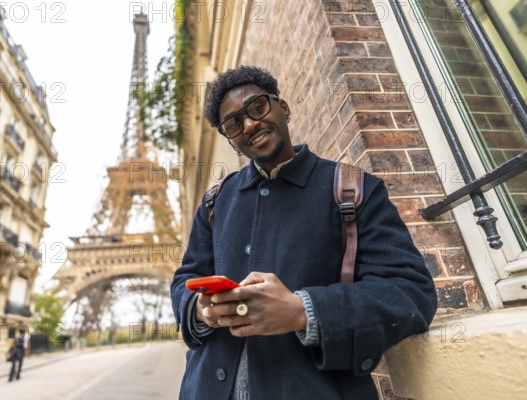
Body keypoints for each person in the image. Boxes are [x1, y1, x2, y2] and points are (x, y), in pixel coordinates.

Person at [170, 66, 438, 399]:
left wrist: (303, 311)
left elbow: (411, 292)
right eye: (234, 124)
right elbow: (185, 279)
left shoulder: (353, 189)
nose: (250, 124)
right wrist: (199, 308)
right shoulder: (214, 202)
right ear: (232, 141)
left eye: (257, 107)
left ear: (282, 108)